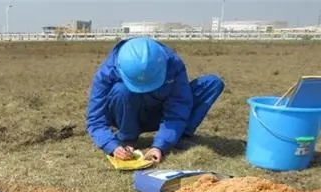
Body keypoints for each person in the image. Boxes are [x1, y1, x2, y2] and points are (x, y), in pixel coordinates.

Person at [86, 36, 225, 164]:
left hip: (160, 111)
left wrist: (160, 145)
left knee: (212, 83)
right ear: (120, 69)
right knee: (121, 91)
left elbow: (178, 106)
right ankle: (128, 137)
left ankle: (179, 136)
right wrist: (112, 146)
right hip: (128, 113)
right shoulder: (107, 71)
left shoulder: (173, 64)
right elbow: (96, 119)